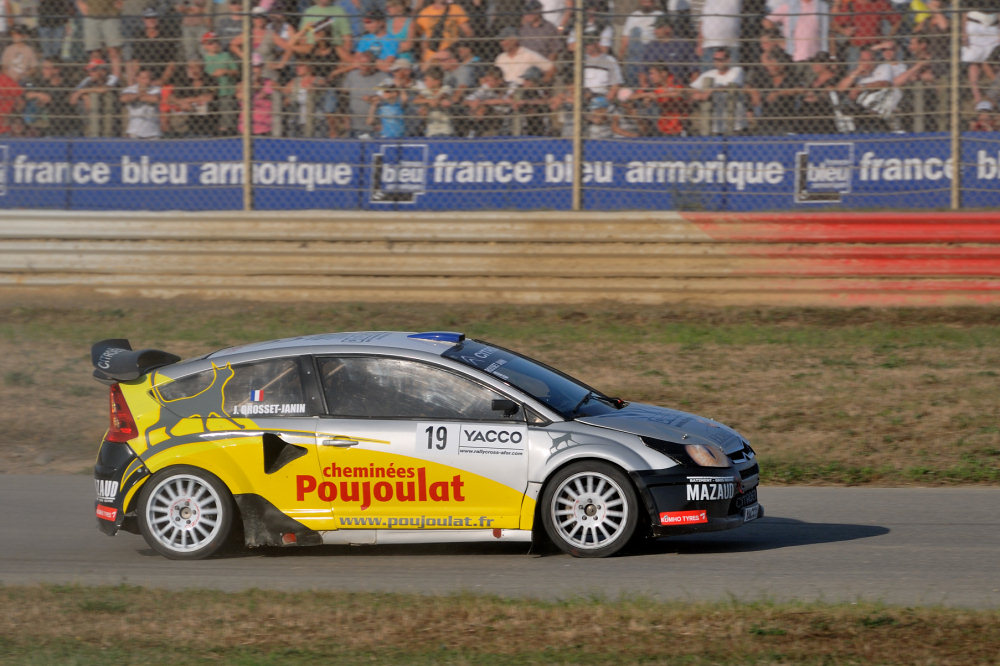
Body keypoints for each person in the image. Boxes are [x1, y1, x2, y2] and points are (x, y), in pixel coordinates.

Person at [689, 47, 747, 134]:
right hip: (715, 126)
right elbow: (691, 89)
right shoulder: (708, 74)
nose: (717, 62)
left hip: (735, 125)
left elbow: (733, 86)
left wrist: (712, 90)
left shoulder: (736, 71)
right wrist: (698, 94)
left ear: (728, 60)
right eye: (715, 59)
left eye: (720, 59)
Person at [764, 0, 833, 63]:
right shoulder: (789, 6)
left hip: (814, 57)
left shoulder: (822, 6)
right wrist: (778, 37)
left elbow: (828, 32)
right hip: (791, 55)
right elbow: (767, 21)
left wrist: (832, 57)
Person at [22, 58, 77, 136]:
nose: (43, 71)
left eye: (46, 68)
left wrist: (50, 99)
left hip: (69, 126)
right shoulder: (43, 84)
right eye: (43, 68)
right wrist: (39, 95)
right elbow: (26, 95)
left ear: (56, 70)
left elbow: (65, 101)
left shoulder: (67, 84)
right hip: (52, 128)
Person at [639, 15, 697, 88]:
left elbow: (694, 70)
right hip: (654, 89)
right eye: (655, 28)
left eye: (658, 28)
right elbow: (642, 70)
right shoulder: (651, 46)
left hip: (676, 88)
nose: (655, 31)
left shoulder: (682, 44)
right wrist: (644, 86)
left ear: (668, 29)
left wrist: (691, 88)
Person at [127, 8, 180, 87]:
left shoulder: (166, 36)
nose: (151, 20)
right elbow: (135, 60)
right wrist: (137, 79)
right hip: (143, 75)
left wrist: (162, 80)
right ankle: (132, 87)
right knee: (128, 64)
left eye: (154, 17)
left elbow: (172, 62)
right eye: (148, 18)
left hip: (160, 74)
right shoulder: (139, 36)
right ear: (143, 19)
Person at [337, 50, 383, 136]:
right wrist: (345, 118)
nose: (363, 67)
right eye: (361, 63)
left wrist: (373, 98)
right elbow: (343, 97)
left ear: (373, 64)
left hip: (375, 126)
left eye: (366, 64)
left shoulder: (382, 77)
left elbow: (390, 97)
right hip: (354, 125)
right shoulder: (352, 75)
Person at [69, 57, 119, 136]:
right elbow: (73, 99)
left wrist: (84, 91)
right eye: (89, 71)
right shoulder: (88, 79)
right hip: (93, 111)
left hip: (110, 109)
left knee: (102, 95)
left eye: (93, 70)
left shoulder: (112, 77)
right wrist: (84, 96)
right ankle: (94, 134)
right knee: (92, 97)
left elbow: (104, 90)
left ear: (103, 71)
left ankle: (107, 134)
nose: (90, 73)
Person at [77, 0, 124, 82]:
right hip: (91, 13)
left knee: (113, 50)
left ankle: (115, 79)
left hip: (110, 13)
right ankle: (97, 79)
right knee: (94, 52)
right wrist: (80, 2)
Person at [620, 0, 664, 86]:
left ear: (653, 2)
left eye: (649, 1)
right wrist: (621, 56)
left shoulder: (659, 15)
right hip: (635, 52)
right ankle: (634, 86)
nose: (646, 2)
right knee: (636, 31)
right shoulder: (633, 16)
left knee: (638, 32)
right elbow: (625, 39)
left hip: (652, 51)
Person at [415, 0, 473, 64]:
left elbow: (468, 32)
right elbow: (421, 37)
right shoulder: (425, 13)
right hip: (433, 54)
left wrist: (453, 49)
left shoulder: (455, 9)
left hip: (451, 54)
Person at [201, 31, 237, 133]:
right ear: (204, 46)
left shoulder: (226, 56)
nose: (214, 45)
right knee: (212, 115)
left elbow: (236, 71)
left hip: (226, 90)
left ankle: (226, 131)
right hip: (210, 92)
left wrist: (226, 71)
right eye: (210, 43)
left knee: (227, 117)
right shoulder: (203, 59)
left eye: (216, 42)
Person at [463, 63, 514, 135]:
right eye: (487, 80)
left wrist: (483, 102)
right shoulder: (486, 86)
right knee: (479, 108)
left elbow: (509, 101)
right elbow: (466, 100)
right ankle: (473, 132)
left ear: (500, 80)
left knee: (483, 107)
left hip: (504, 116)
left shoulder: (510, 85)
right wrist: (473, 103)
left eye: (491, 81)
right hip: (488, 117)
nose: (488, 83)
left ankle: (475, 132)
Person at [237, 55, 277, 134]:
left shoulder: (269, 82)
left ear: (262, 67)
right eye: (252, 67)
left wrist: (263, 90)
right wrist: (251, 87)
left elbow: (282, 91)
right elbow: (239, 96)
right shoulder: (242, 84)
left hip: (264, 128)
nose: (254, 70)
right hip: (245, 128)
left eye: (257, 67)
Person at [413, 64, 454, 136]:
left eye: (427, 80)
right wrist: (428, 102)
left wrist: (434, 101)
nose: (425, 82)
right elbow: (416, 100)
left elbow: (442, 96)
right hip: (431, 131)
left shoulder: (446, 88)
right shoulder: (426, 91)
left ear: (436, 81)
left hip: (445, 130)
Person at [120, 67, 162, 137]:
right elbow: (123, 98)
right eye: (144, 78)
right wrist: (143, 95)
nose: (147, 81)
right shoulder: (130, 89)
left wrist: (135, 97)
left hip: (153, 132)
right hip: (134, 132)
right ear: (137, 78)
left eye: (149, 78)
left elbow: (155, 99)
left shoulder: (156, 89)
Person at [0, 66, 24, 135]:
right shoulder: (6, 80)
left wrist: (11, 116)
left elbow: (20, 102)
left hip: (5, 125)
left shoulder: (6, 81)